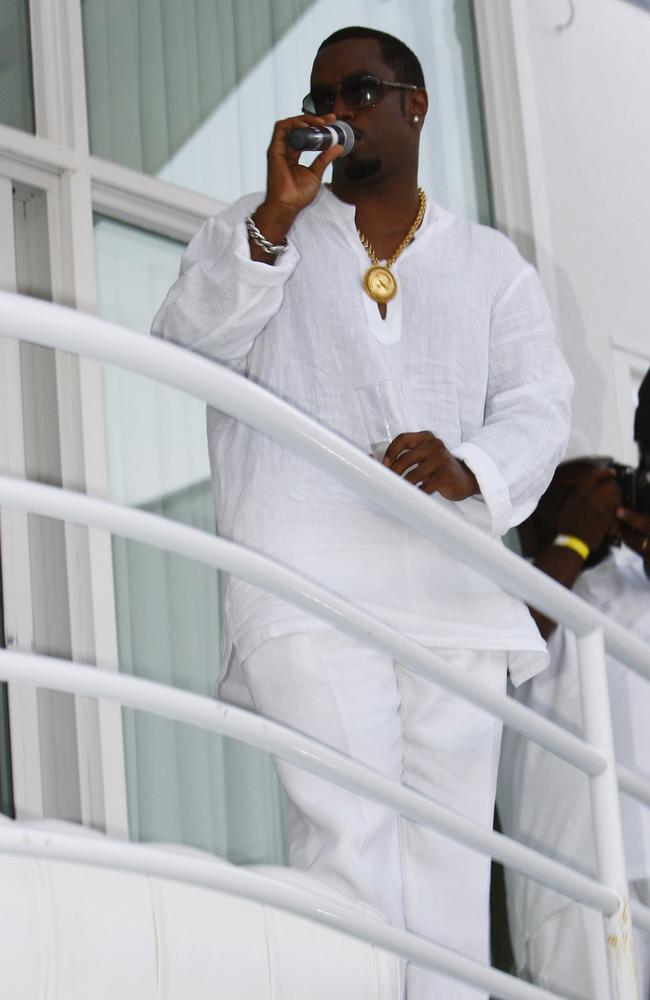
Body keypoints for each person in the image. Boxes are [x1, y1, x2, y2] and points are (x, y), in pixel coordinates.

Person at [151, 26, 572, 999]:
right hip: (305, 581)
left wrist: (469, 466)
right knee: (350, 844)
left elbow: (537, 402)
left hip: (451, 595)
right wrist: (275, 218)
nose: (333, 111)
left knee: (449, 873)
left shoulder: (488, 265)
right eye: (319, 94)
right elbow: (190, 343)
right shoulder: (258, 229)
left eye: (357, 89)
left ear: (412, 106)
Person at [498, 406, 650, 997]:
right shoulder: (513, 585)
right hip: (573, 872)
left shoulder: (637, 576)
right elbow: (510, 647)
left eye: (607, 483)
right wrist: (573, 541)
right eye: (574, 489)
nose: (599, 502)